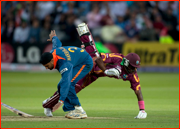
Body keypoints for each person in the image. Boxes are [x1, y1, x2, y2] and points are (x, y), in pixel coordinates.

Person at [43, 23, 147, 119]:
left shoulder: (133, 75)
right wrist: (105, 71)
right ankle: (84, 33)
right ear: (126, 62)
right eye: (132, 66)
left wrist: (142, 109)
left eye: (135, 67)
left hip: (93, 76)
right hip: (90, 65)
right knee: (70, 82)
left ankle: (49, 105)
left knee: (72, 89)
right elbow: (97, 58)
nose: (134, 69)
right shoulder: (117, 58)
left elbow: (138, 91)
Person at [40, 30, 93, 119]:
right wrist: (54, 37)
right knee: (61, 85)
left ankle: (79, 110)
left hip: (85, 62)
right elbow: (57, 43)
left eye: (47, 65)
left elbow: (66, 83)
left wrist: (61, 101)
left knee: (69, 83)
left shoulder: (64, 64)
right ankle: (67, 108)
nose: (46, 68)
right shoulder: (53, 52)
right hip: (77, 61)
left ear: (52, 60)